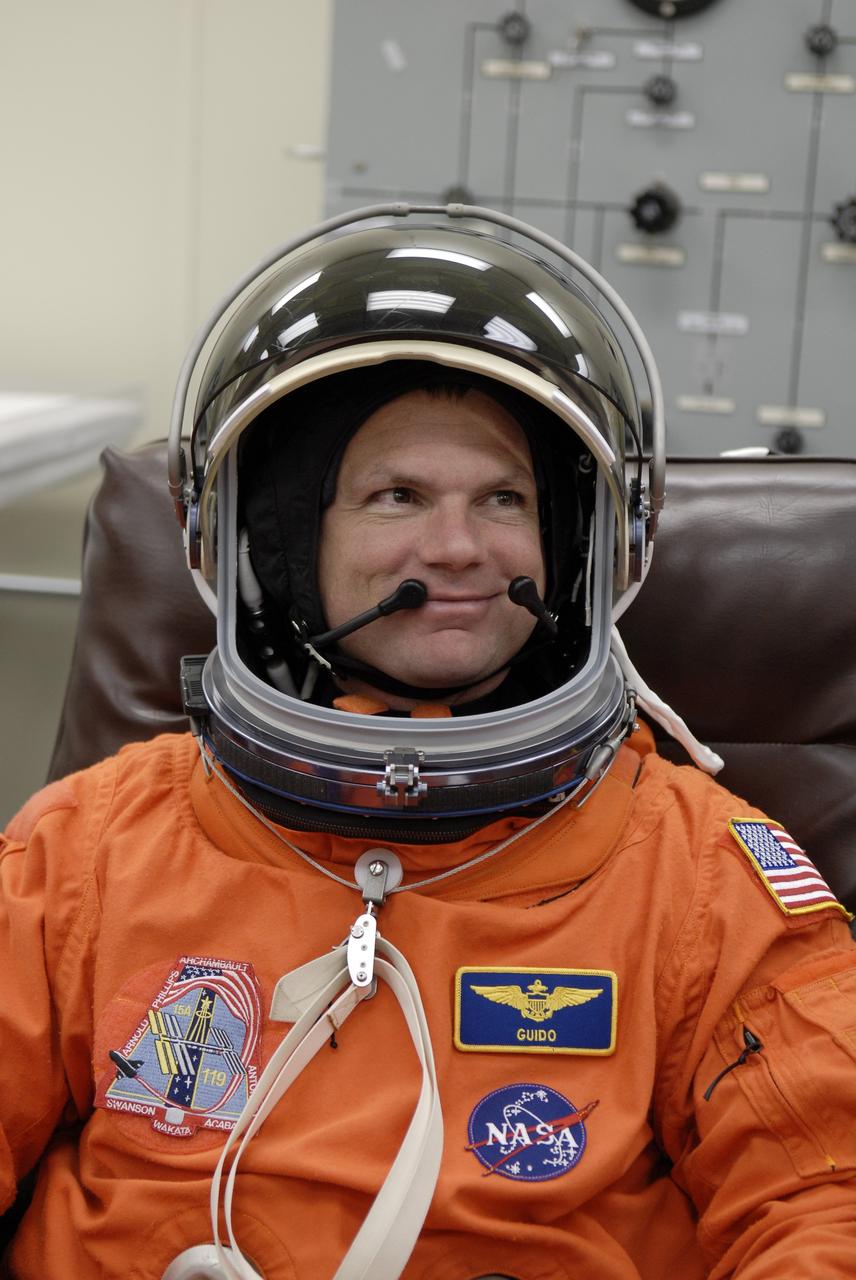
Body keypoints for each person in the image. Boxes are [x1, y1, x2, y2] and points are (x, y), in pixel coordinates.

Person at [1, 205, 855, 1280]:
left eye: (504, 497)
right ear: (278, 540)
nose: (456, 548)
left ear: (578, 544)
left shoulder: (696, 875)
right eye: (396, 495)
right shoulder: (90, 848)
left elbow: (824, 1198)